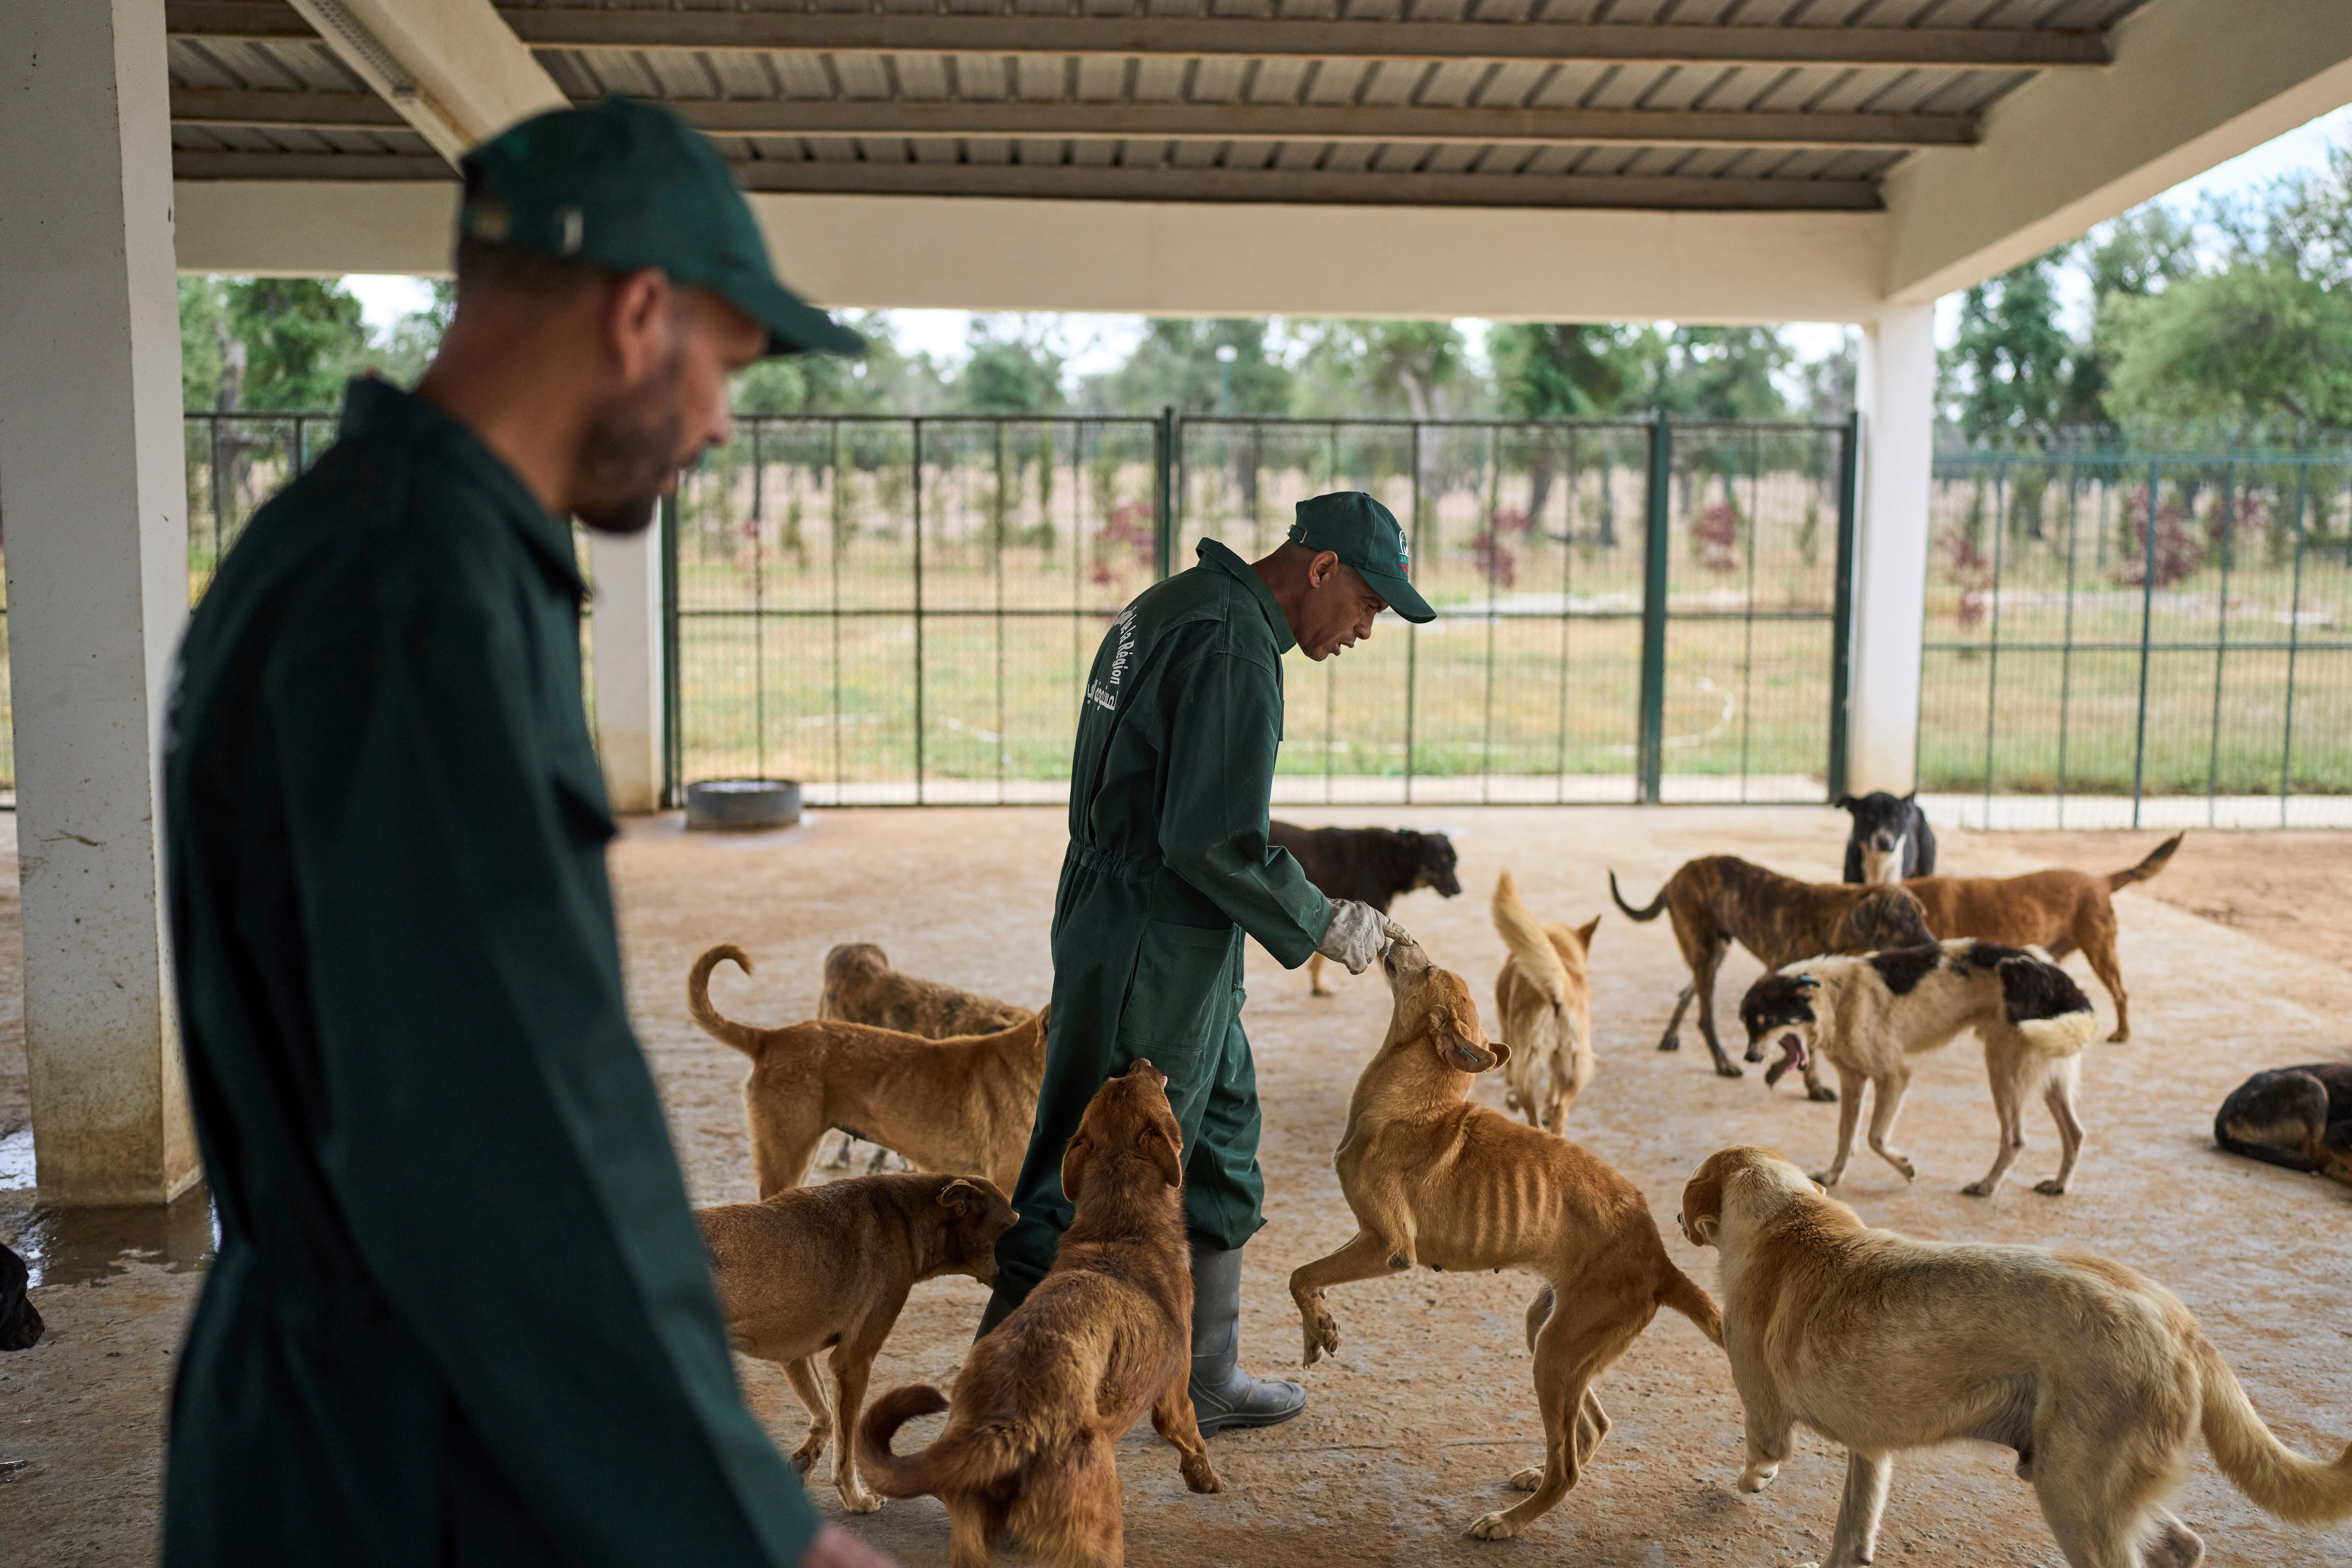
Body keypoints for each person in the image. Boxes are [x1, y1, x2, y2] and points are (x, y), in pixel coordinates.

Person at [160, 100, 890, 1568]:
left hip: (373, 1405)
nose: (719, 421)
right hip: (404, 1447)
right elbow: (499, 1125)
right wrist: (749, 1523)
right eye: (724, 367)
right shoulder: (408, 596)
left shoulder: (381, 545)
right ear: (639, 314)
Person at [979, 492, 1437, 1433]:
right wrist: (1322, 919)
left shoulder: (1178, 603)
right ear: (1321, 569)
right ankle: (1011, 1425)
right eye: (1368, 603)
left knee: (1221, 1132)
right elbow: (1212, 840)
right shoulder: (1234, 649)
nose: (1367, 628)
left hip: (1154, 920)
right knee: (1099, 1173)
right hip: (1153, 931)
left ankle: (1204, 1378)